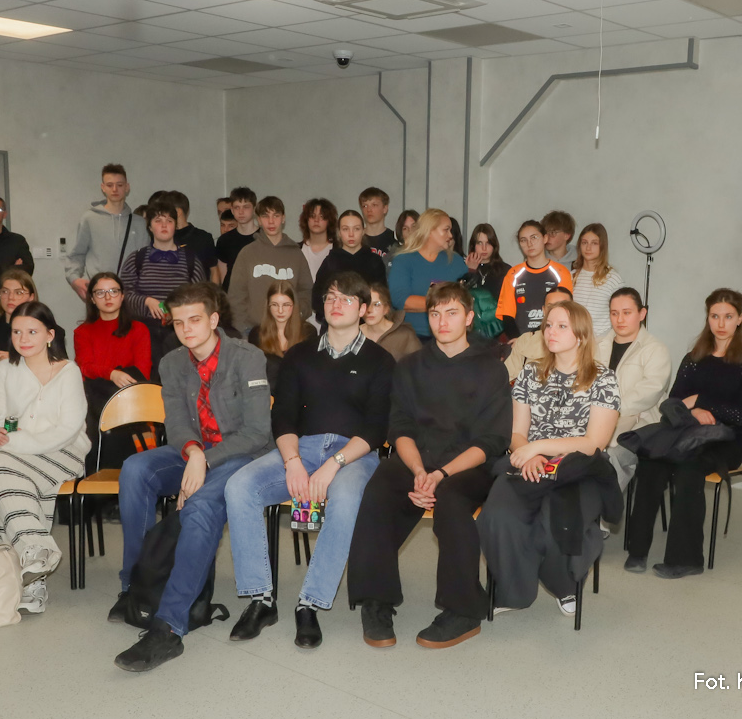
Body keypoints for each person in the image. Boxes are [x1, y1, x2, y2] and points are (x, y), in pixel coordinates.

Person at [223, 272, 394, 649]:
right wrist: (293, 461)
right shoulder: (299, 355)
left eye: (347, 299)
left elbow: (376, 429)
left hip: (354, 454)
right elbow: (283, 416)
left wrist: (334, 464)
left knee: (345, 497)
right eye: (331, 297)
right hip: (301, 448)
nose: (336, 304)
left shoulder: (380, 360)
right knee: (239, 486)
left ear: (363, 310)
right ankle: (261, 599)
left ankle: (310, 603)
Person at [111, 282, 275, 673]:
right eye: (179, 322)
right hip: (194, 452)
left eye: (195, 320)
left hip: (241, 454)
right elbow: (177, 423)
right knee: (135, 469)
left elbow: (257, 432)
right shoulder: (172, 363)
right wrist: (194, 453)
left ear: (214, 320)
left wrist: (206, 459)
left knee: (200, 507)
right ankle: (134, 587)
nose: (186, 329)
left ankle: (169, 626)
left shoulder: (247, 357)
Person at [348, 282, 512, 648]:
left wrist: (441, 474)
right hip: (419, 460)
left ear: (468, 318)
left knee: (451, 501)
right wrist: (420, 471)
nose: (442, 321)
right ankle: (376, 601)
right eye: (435, 314)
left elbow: (492, 440)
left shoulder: (490, 369)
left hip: (470, 466)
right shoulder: (410, 366)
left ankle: (463, 610)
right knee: (379, 489)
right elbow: (399, 427)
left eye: (452, 313)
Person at [479, 300, 619, 616]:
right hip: (529, 463)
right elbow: (517, 434)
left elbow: (594, 443)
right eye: (548, 325)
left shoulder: (603, 378)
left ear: (580, 335)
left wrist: (538, 447)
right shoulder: (531, 373)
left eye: (561, 326)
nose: (551, 331)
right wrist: (527, 454)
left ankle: (564, 585)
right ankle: (513, 591)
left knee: (557, 520)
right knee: (497, 515)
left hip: (579, 468)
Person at [625, 289, 742, 579]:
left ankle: (686, 559)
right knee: (651, 461)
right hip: (688, 432)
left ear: (739, 319)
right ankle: (637, 551)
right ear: (708, 318)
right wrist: (695, 411)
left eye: (728, 317)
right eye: (715, 316)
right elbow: (672, 404)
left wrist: (700, 401)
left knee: (689, 466)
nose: (721, 323)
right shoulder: (693, 358)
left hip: (728, 441)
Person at [0, 300, 86, 614]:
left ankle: (32, 570)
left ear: (49, 335)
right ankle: (35, 558)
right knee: (2, 466)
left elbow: (69, 428)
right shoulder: (4, 369)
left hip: (65, 451)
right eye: (16, 332)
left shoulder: (68, 370)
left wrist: (16, 443)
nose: (23, 338)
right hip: (18, 454)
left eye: (32, 331)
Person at [595, 288, 672, 491]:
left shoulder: (655, 349)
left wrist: (608, 409)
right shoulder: (596, 345)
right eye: (614, 313)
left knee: (611, 457)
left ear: (642, 314)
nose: (620, 319)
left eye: (627, 312)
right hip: (597, 419)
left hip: (640, 426)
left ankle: (605, 509)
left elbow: (648, 392)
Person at [120, 202, 207, 369]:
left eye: (169, 221)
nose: (164, 225)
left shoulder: (190, 260)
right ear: (150, 227)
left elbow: (201, 297)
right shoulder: (136, 258)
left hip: (181, 331)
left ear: (176, 226)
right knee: (148, 376)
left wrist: (178, 310)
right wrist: (146, 301)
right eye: (158, 221)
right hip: (143, 332)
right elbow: (123, 295)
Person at [74, 272, 152, 451]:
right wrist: (111, 374)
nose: (108, 297)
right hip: (95, 400)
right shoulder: (82, 332)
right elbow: (85, 367)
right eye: (100, 292)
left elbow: (142, 372)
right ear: (92, 299)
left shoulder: (139, 329)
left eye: (113, 291)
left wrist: (114, 377)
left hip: (131, 397)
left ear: (122, 296)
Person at [226, 196, 314, 335]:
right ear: (259, 220)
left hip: (289, 331)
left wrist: (298, 314)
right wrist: (242, 329)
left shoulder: (296, 254)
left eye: (276, 215)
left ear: (283, 218)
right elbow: (236, 296)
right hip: (253, 331)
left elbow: (306, 291)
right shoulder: (247, 253)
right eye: (265, 216)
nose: (271, 221)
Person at [65, 163, 149, 302]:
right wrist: (75, 279)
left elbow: (146, 261)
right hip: (100, 293)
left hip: (131, 295)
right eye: (110, 185)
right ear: (103, 187)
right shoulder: (90, 219)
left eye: (120, 185)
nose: (115, 189)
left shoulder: (139, 223)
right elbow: (76, 254)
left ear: (127, 187)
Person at [388, 209, 469, 339]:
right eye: (446, 230)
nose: (450, 235)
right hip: (413, 336)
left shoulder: (456, 261)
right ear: (430, 231)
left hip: (451, 335)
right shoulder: (404, 260)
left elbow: (466, 298)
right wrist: (443, 304)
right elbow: (400, 300)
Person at [0, 268, 66, 357]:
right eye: (5, 292)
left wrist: (15, 360)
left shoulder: (50, 331)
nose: (11, 297)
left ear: (31, 297)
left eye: (19, 293)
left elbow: (58, 366)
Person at [496, 220, 573, 341]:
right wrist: (520, 341)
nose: (529, 243)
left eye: (534, 237)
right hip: (520, 341)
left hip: (551, 339)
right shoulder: (513, 274)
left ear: (545, 238)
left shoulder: (561, 273)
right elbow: (507, 314)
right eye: (523, 240)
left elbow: (565, 311)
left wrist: (535, 338)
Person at [313, 210, 387, 309]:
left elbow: (382, 297)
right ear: (339, 232)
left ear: (363, 231)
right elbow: (317, 299)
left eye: (356, 229)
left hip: (367, 316)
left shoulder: (374, 261)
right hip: (337, 315)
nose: (351, 234)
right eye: (345, 229)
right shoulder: (330, 262)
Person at [247, 281, 306, 391]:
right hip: (268, 395)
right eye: (274, 305)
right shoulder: (257, 335)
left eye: (286, 305)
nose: (280, 310)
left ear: (294, 305)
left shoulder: (307, 333)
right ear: (268, 306)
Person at [504, 288, 572, 381]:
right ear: (544, 310)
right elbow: (506, 380)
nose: (556, 311)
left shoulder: (584, 342)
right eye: (550, 307)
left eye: (562, 306)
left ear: (573, 309)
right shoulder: (526, 341)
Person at [571, 224, 625, 338]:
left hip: (601, 340)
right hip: (574, 338)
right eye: (584, 242)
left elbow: (621, 312)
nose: (588, 248)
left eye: (594, 243)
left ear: (602, 246)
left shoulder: (613, 278)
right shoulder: (571, 276)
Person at [158, 190, 220, 284]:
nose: (161, 216)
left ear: (178, 212)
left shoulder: (203, 238)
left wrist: (214, 292)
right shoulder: (161, 238)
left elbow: (214, 272)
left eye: (165, 212)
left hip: (199, 291)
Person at [361, 282, 421, 362]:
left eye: (376, 304)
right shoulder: (353, 334)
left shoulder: (405, 335)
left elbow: (420, 364)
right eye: (366, 304)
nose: (369, 310)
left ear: (386, 308)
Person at [215, 187, 258, 289]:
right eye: (237, 207)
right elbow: (223, 276)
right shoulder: (224, 240)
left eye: (246, 207)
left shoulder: (264, 237)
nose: (241, 212)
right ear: (232, 210)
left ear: (254, 209)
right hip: (231, 294)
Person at [459, 223, 508, 302]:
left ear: (494, 245)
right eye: (479, 243)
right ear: (473, 245)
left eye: (488, 243)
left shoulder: (505, 270)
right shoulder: (462, 267)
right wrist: (470, 271)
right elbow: (460, 295)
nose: (484, 248)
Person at [299, 197, 337, 284]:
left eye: (322, 216)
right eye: (312, 216)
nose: (316, 220)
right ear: (306, 220)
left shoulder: (338, 250)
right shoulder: (296, 250)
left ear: (329, 221)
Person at [360, 187, 396, 256]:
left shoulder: (394, 240)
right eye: (365, 206)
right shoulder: (356, 239)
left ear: (385, 209)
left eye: (374, 205)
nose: (369, 210)